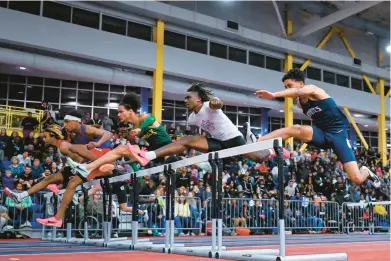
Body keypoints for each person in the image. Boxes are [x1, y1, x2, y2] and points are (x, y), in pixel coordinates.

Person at [254, 68, 387, 195]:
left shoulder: (313, 89)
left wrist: (273, 95)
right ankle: (259, 141)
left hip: (338, 135)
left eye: (289, 85)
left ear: (300, 83)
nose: (287, 90)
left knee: (356, 178)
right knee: (295, 129)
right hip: (322, 134)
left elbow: (298, 92)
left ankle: (365, 171)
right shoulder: (301, 104)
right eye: (285, 87)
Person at [93, 83, 289, 168]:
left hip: (233, 139)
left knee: (258, 158)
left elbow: (217, 104)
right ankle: (149, 155)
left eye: (188, 97)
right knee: (186, 140)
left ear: (199, 99)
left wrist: (215, 103)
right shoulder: (192, 119)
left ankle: (268, 148)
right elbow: (190, 138)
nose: (185, 100)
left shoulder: (209, 106)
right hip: (217, 142)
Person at [68, 93, 172, 180]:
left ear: (130, 111)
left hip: (167, 149)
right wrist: (125, 161)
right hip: (152, 152)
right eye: (118, 112)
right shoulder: (132, 128)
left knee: (124, 149)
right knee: (121, 149)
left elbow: (151, 119)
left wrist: (140, 129)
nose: (118, 115)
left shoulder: (144, 118)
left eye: (121, 112)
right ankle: (88, 168)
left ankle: (91, 168)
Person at [4, 124, 100, 204]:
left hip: (86, 168)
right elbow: (64, 165)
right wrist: (57, 176)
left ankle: (74, 195)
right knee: (49, 178)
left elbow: (81, 158)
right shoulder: (59, 148)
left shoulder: (63, 146)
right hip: (74, 168)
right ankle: (21, 196)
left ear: (53, 135)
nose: (44, 139)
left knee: (53, 179)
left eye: (45, 137)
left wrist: (75, 172)